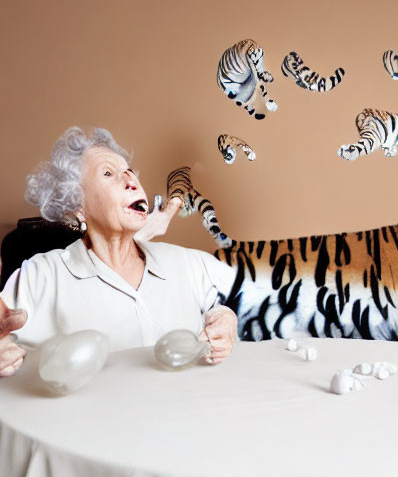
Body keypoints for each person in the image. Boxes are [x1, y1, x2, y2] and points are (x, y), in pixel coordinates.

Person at [0, 127, 238, 378]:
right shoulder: (43, 275)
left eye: (130, 173)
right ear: (78, 204)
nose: (131, 181)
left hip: (189, 412)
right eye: (108, 174)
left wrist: (226, 319)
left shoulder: (185, 261)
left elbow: (237, 297)